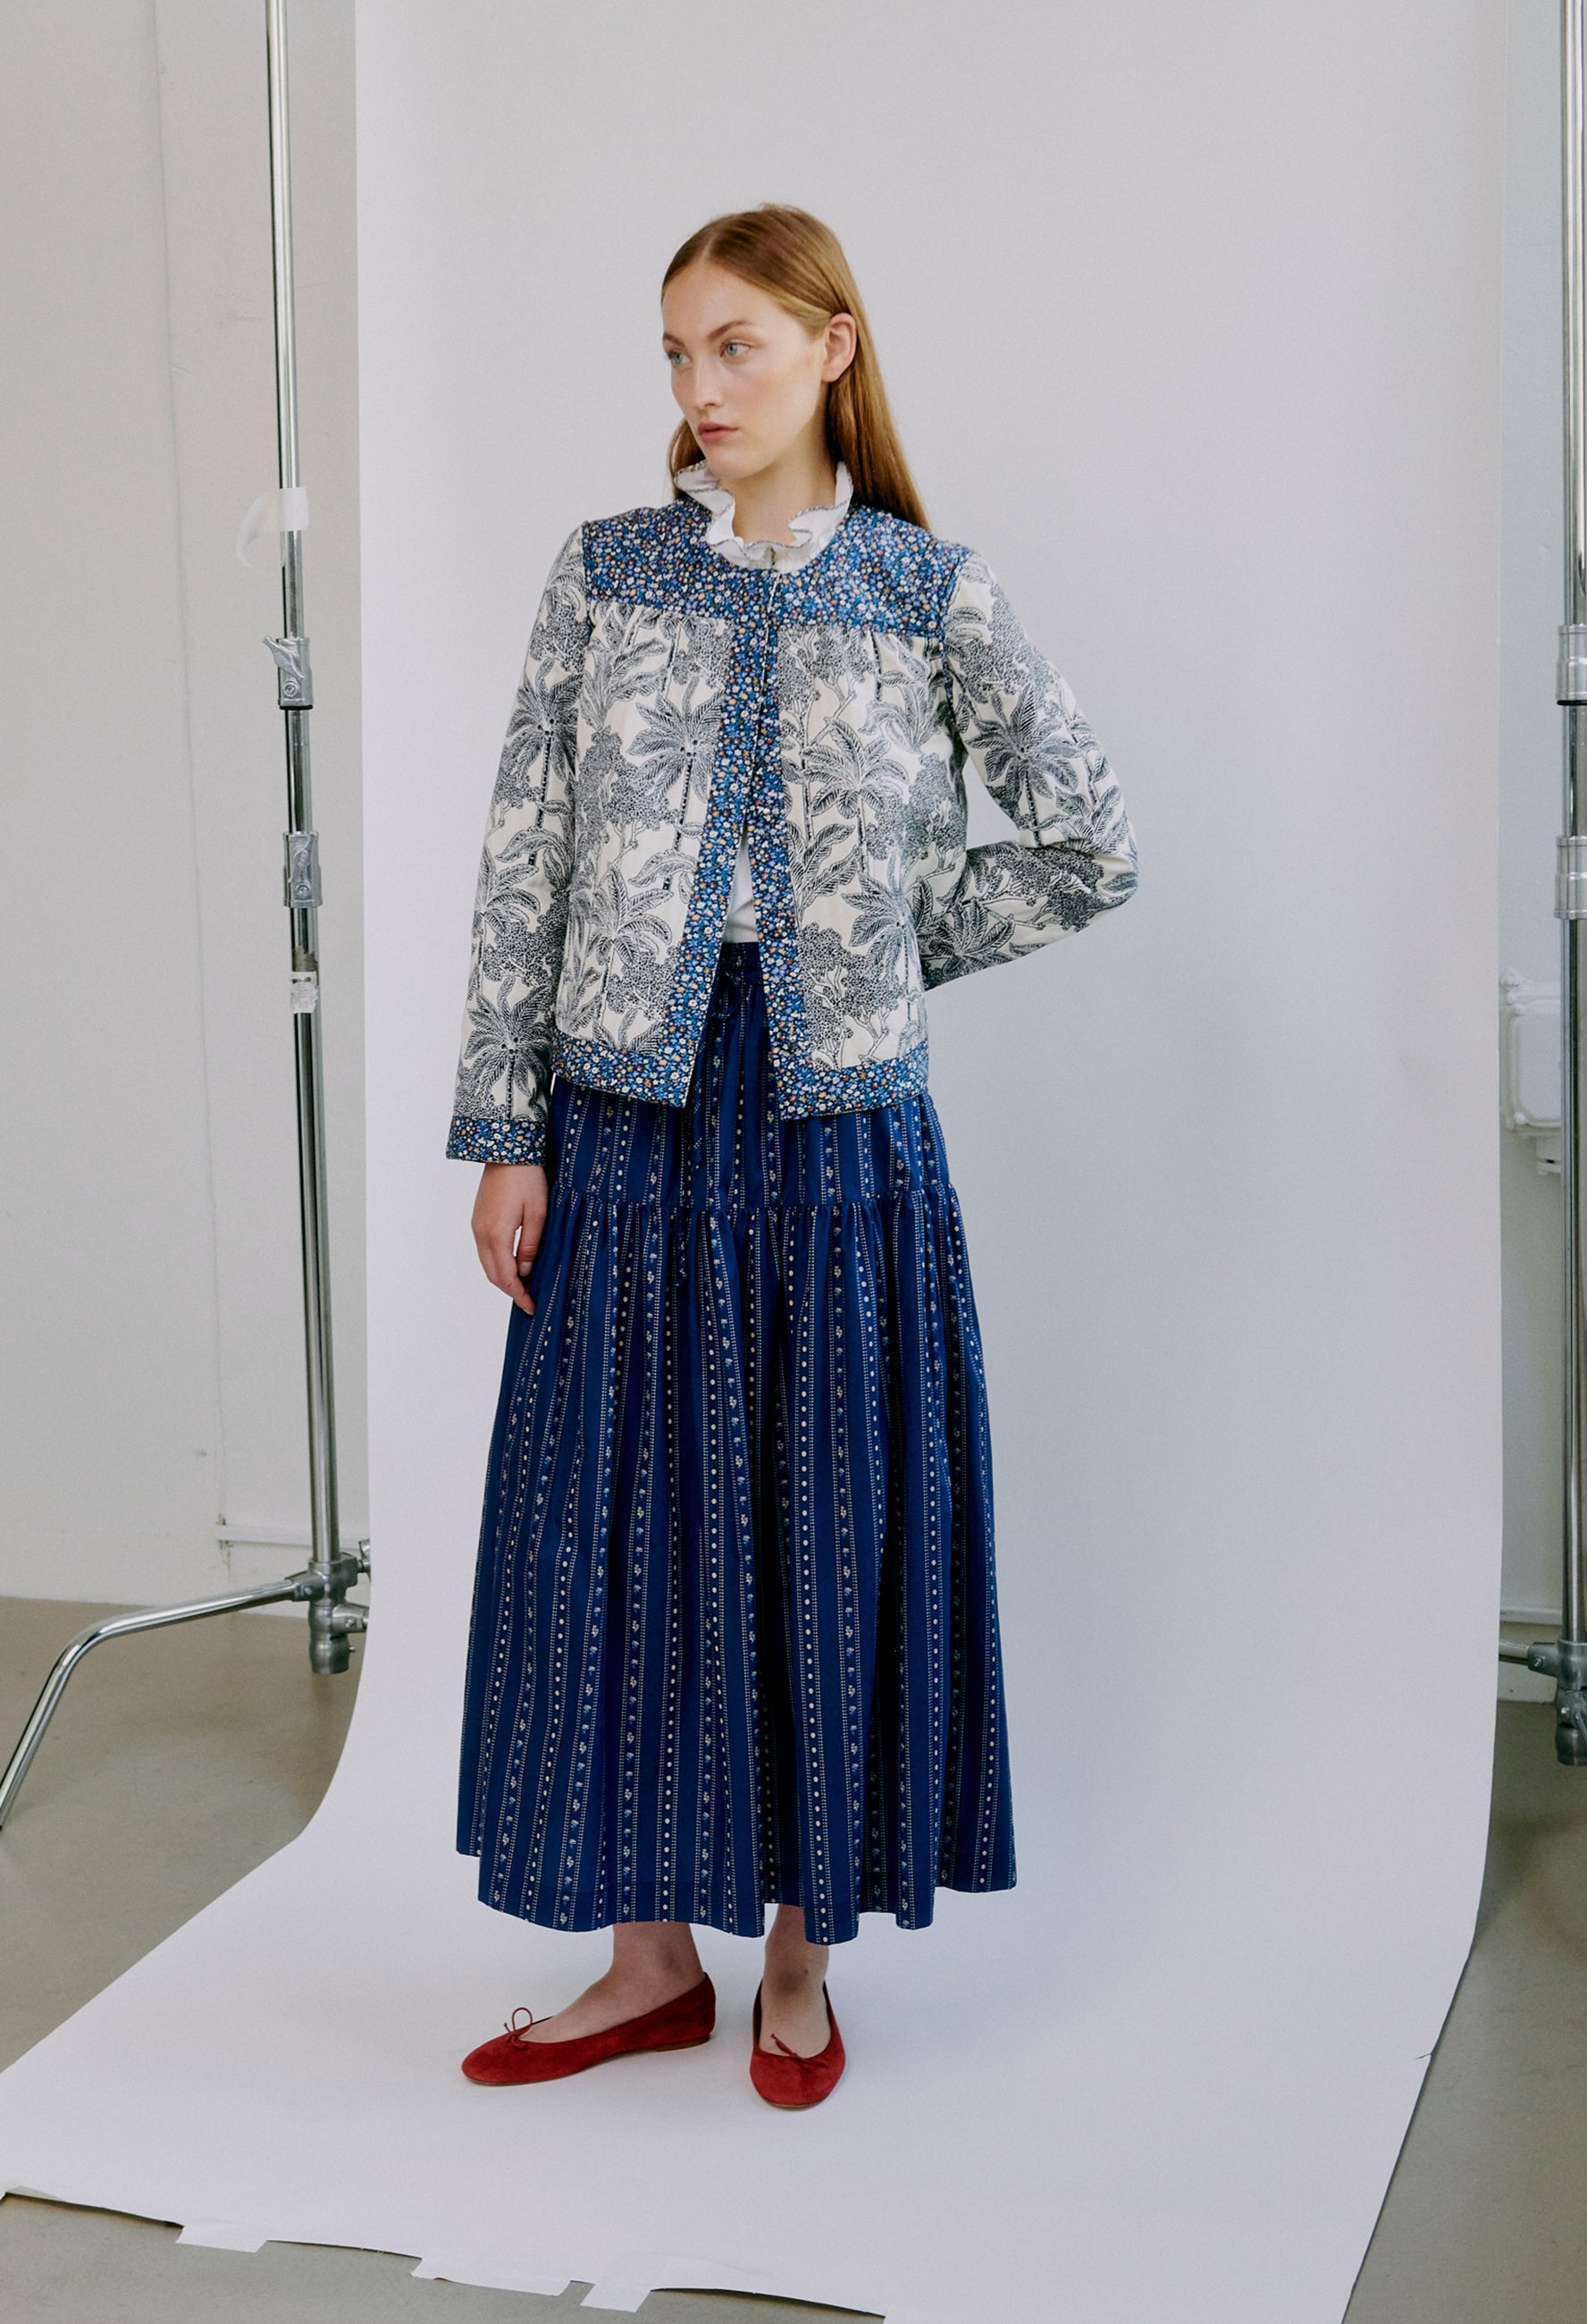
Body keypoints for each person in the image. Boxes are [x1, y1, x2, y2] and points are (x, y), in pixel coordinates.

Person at [444, 203, 1138, 2109]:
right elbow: (526, 856)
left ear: (833, 347)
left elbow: (1090, 838)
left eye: (733, 344)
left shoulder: (925, 591)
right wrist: (504, 1131)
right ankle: (645, 1962)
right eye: (674, 352)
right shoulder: (602, 576)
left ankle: (802, 1959)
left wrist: (892, 950)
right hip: (621, 1113)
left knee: (823, 1518)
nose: (696, 387)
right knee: (616, 1525)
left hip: (840, 1123)